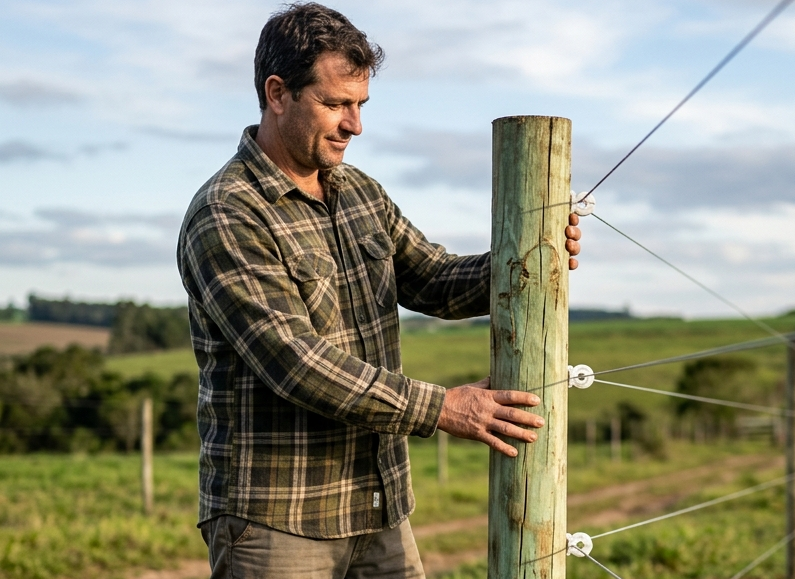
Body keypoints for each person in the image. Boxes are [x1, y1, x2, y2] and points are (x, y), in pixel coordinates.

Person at [176, 3, 582, 578]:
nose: (355, 125)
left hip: (379, 507)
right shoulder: (227, 212)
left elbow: (434, 279)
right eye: (335, 104)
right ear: (277, 93)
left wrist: (529, 259)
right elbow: (297, 364)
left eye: (360, 104)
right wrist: (443, 407)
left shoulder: (360, 193)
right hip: (276, 521)